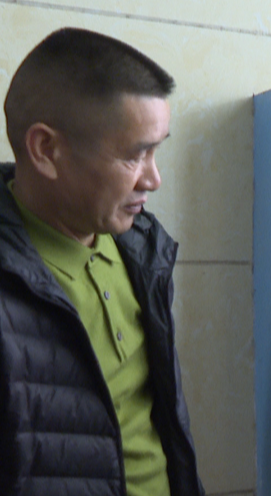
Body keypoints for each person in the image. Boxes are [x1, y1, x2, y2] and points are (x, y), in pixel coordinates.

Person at [0, 28, 204, 495]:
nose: (153, 179)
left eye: (156, 150)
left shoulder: (141, 248)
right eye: (136, 155)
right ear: (46, 150)